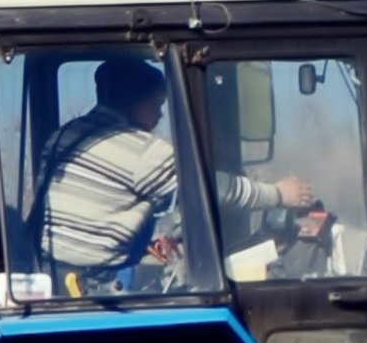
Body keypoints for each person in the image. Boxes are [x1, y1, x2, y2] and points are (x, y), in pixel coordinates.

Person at [33, 56, 323, 283]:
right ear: (135, 101)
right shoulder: (143, 150)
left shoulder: (64, 136)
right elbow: (210, 189)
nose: (160, 115)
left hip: (52, 272)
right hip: (98, 280)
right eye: (157, 105)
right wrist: (278, 194)